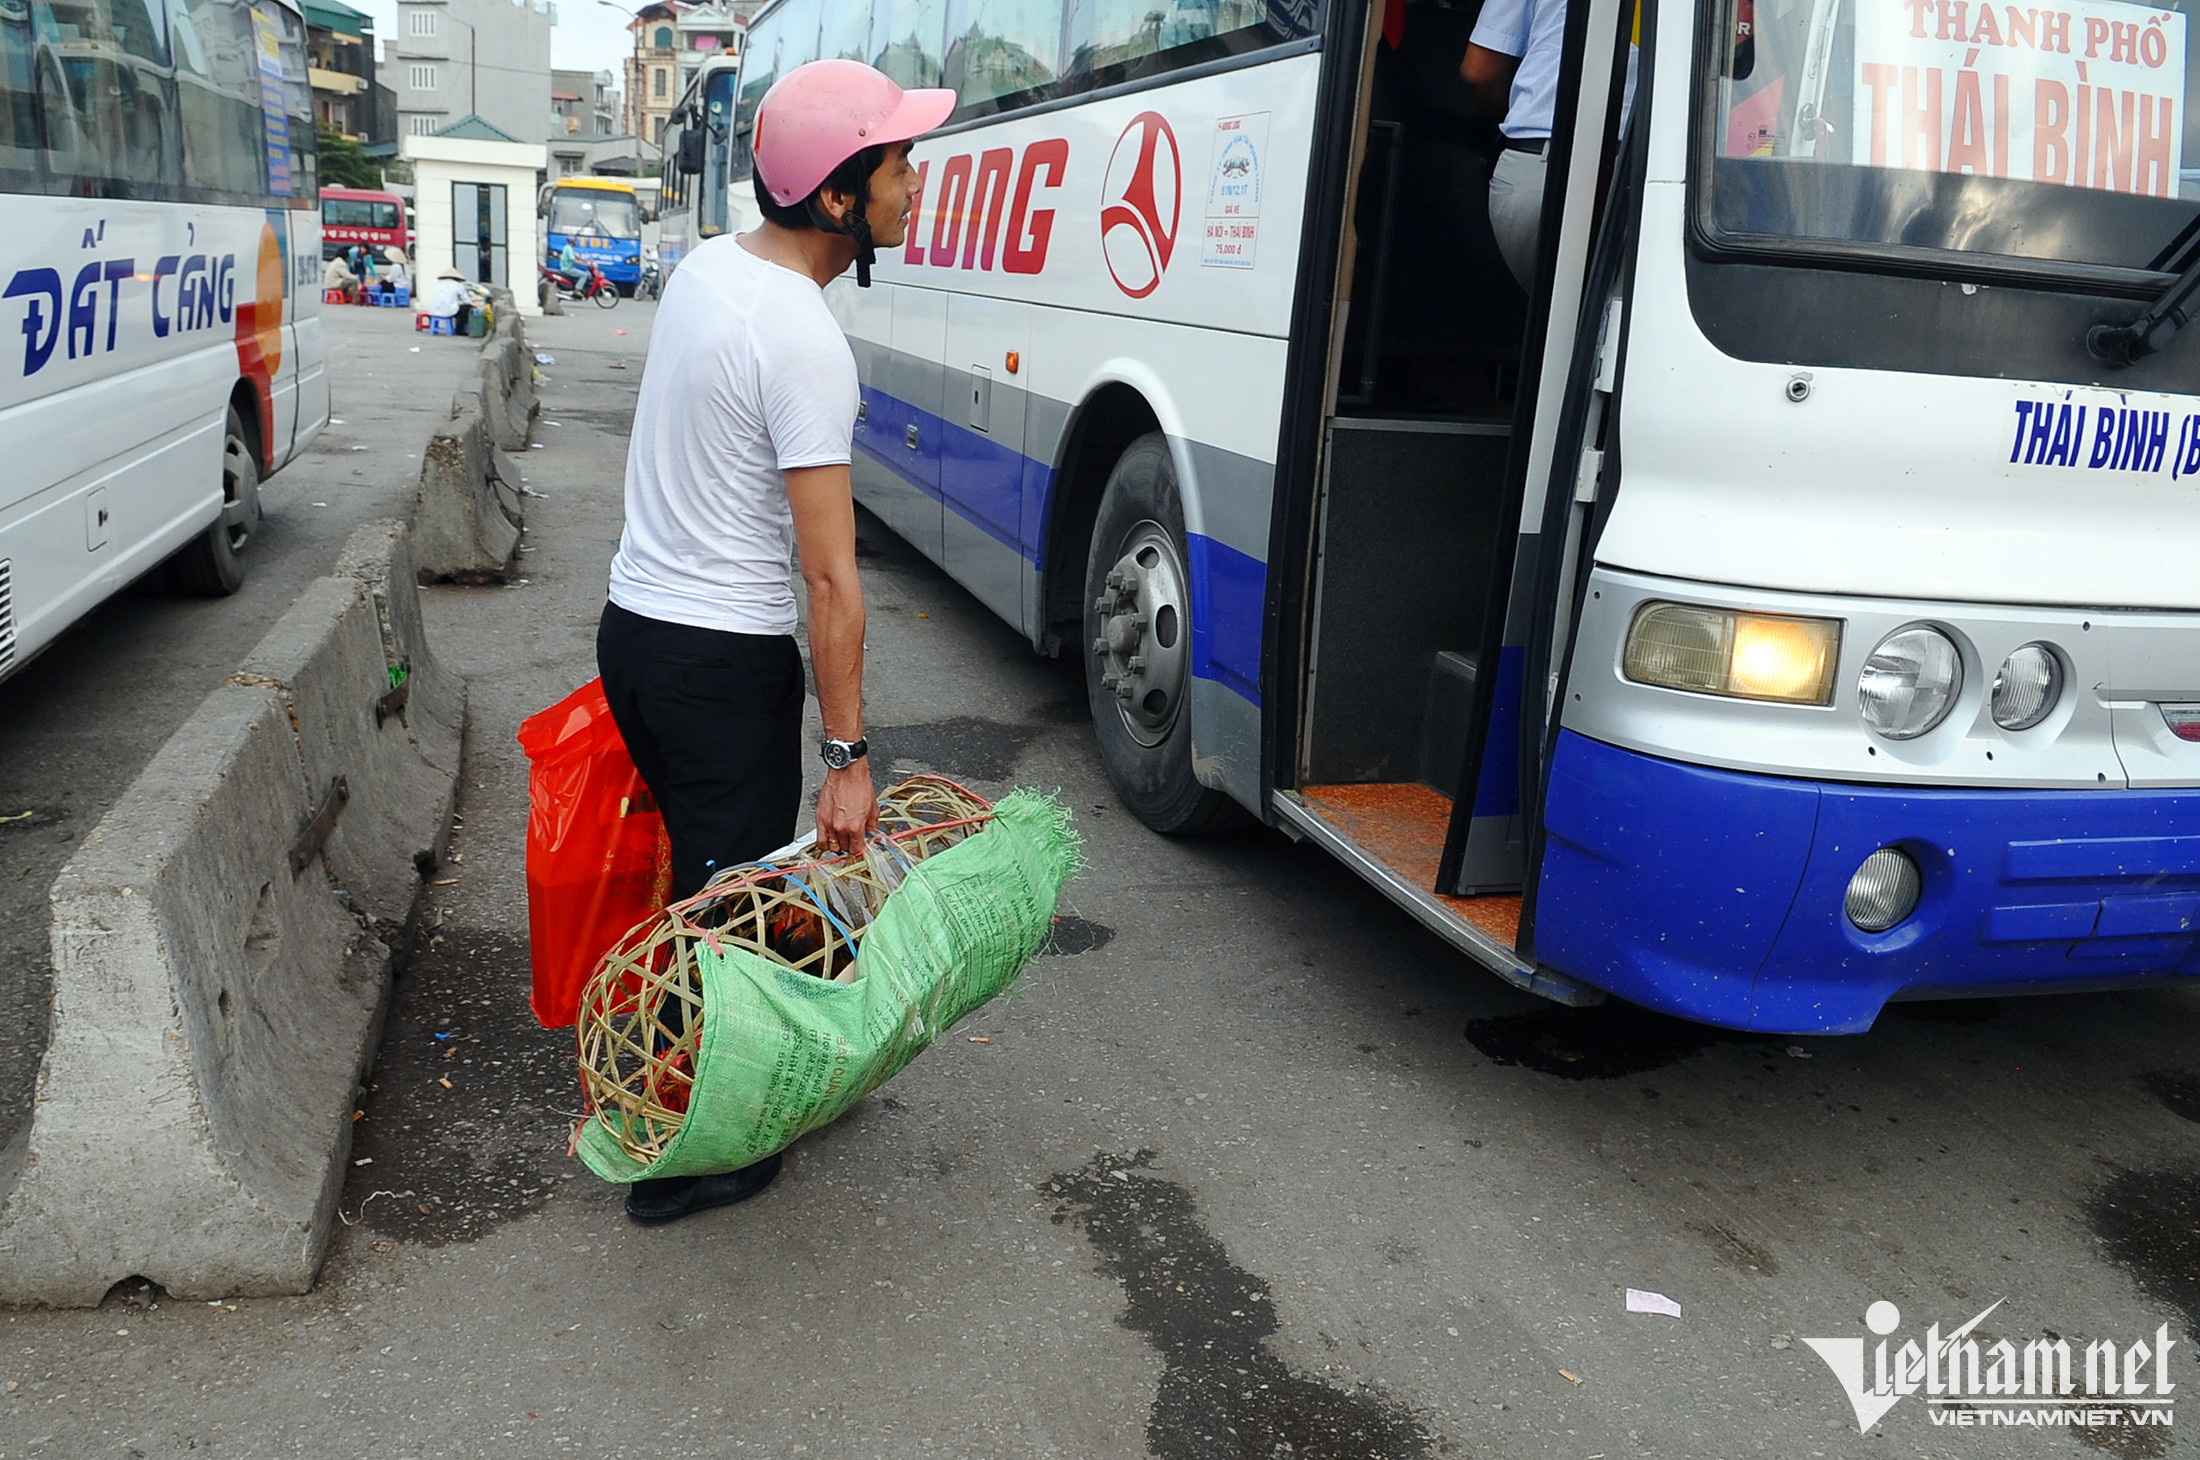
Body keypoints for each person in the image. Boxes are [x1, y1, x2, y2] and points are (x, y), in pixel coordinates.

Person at [595, 58, 951, 1226]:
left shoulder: (708, 269)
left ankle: (686, 1075)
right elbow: (831, 577)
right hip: (716, 664)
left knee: (704, 884)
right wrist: (848, 755)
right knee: (727, 906)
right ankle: (695, 1150)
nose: (916, 176)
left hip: (636, 635)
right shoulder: (804, 339)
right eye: (898, 160)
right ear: (841, 198)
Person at [423, 266, 472, 334]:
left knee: (456, 307)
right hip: (448, 311)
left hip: (433, 311)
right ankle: (460, 329)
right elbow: (466, 300)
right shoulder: (458, 285)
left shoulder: (439, 284)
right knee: (467, 308)